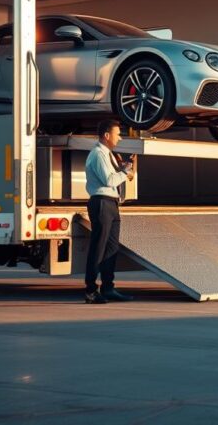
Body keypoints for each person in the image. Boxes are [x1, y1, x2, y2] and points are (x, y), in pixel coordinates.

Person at [83, 119, 136, 304]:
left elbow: (113, 177)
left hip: (112, 204)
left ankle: (108, 288)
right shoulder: (98, 154)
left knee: (112, 248)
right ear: (107, 136)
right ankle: (91, 291)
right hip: (101, 203)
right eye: (117, 133)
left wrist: (123, 168)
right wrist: (126, 172)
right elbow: (108, 180)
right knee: (98, 248)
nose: (120, 137)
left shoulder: (109, 154)